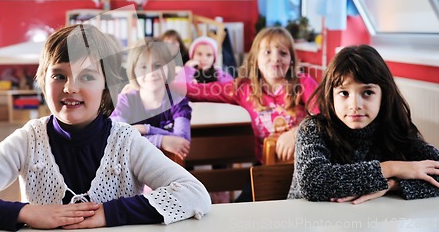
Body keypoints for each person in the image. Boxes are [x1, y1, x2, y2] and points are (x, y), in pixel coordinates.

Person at [0, 24, 211, 230]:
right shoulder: (28, 140)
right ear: (43, 81)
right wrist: (25, 212)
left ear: (107, 86)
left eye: (88, 76)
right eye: (58, 75)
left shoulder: (125, 141)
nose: (70, 87)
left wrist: (108, 213)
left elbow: (195, 194)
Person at [175, 27, 318, 201]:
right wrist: (159, 86)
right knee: (241, 212)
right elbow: (197, 91)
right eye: (267, 52)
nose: (275, 59)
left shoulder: (303, 82)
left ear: (292, 59)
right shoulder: (244, 88)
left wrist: (297, 133)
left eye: (283, 53)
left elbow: (325, 115)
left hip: (306, 164)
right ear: (255, 58)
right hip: (266, 166)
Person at [288, 45, 439, 203]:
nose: (355, 105)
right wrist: (392, 168)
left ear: (384, 95)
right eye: (344, 93)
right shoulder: (313, 128)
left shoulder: (394, 128)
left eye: (367, 92)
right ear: (331, 96)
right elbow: (313, 182)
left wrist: (393, 185)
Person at [111, 37, 192, 161]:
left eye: (158, 65)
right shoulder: (124, 101)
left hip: (170, 171)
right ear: (133, 71)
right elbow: (117, 139)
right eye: (143, 67)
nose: (151, 73)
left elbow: (182, 141)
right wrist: (161, 140)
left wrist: (145, 129)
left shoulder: (178, 101)